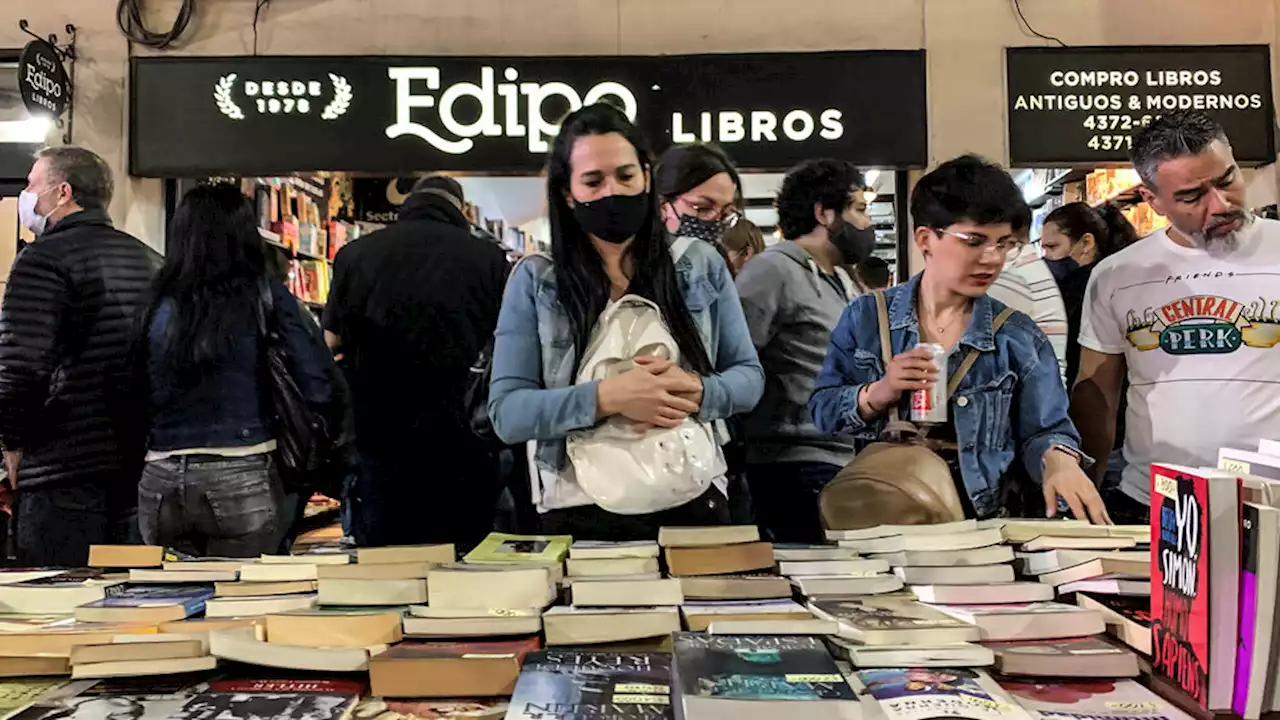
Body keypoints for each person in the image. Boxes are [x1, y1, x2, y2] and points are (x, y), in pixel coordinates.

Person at [487, 103, 764, 539]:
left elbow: (748, 378)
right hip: (578, 509)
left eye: (626, 175)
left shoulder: (698, 265)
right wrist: (607, 397)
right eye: (593, 181)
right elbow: (507, 412)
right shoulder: (538, 280)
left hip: (693, 497)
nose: (612, 191)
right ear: (567, 193)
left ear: (647, 177)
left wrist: (698, 391)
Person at [810, 155, 1109, 524]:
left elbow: (1046, 430)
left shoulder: (1016, 335)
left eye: (1004, 244)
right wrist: (877, 393)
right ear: (926, 239)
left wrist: (1060, 461)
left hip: (982, 531)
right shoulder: (867, 317)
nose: (992, 258)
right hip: (884, 522)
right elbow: (823, 410)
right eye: (974, 241)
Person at [1072, 111, 1280, 524]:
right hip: (1154, 505)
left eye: (1226, 180)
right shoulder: (1116, 276)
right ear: (1153, 200)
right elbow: (1097, 393)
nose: (1221, 205)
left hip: (1271, 504)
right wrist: (1087, 491)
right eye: (1191, 196)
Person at [139, 184, 338, 557]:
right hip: (242, 468)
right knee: (243, 602)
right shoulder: (263, 295)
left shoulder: (156, 301)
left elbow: (134, 385)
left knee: (172, 601)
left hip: (160, 476)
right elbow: (316, 381)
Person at [324, 174, 509, 550]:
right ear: (460, 210)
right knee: (465, 562)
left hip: (380, 434)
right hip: (463, 439)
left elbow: (330, 341)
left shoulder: (355, 255)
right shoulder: (488, 259)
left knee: (389, 566)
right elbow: (505, 344)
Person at [0, 146, 161, 566]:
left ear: (62, 192)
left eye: (33, 185)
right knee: (126, 603)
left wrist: (12, 443)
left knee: (56, 602)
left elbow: (21, 366)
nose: (27, 195)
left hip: (62, 467)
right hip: (136, 465)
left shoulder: (42, 260)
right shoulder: (150, 261)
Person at [736, 159, 876, 542]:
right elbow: (738, 362)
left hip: (843, 457)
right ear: (824, 213)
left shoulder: (844, 280)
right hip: (791, 465)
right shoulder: (772, 271)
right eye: (860, 210)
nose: (867, 225)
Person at [1041, 202, 1138, 386]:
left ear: (1086, 243)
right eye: (1044, 248)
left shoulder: (1080, 290)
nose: (1046, 257)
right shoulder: (1123, 280)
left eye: (1052, 247)